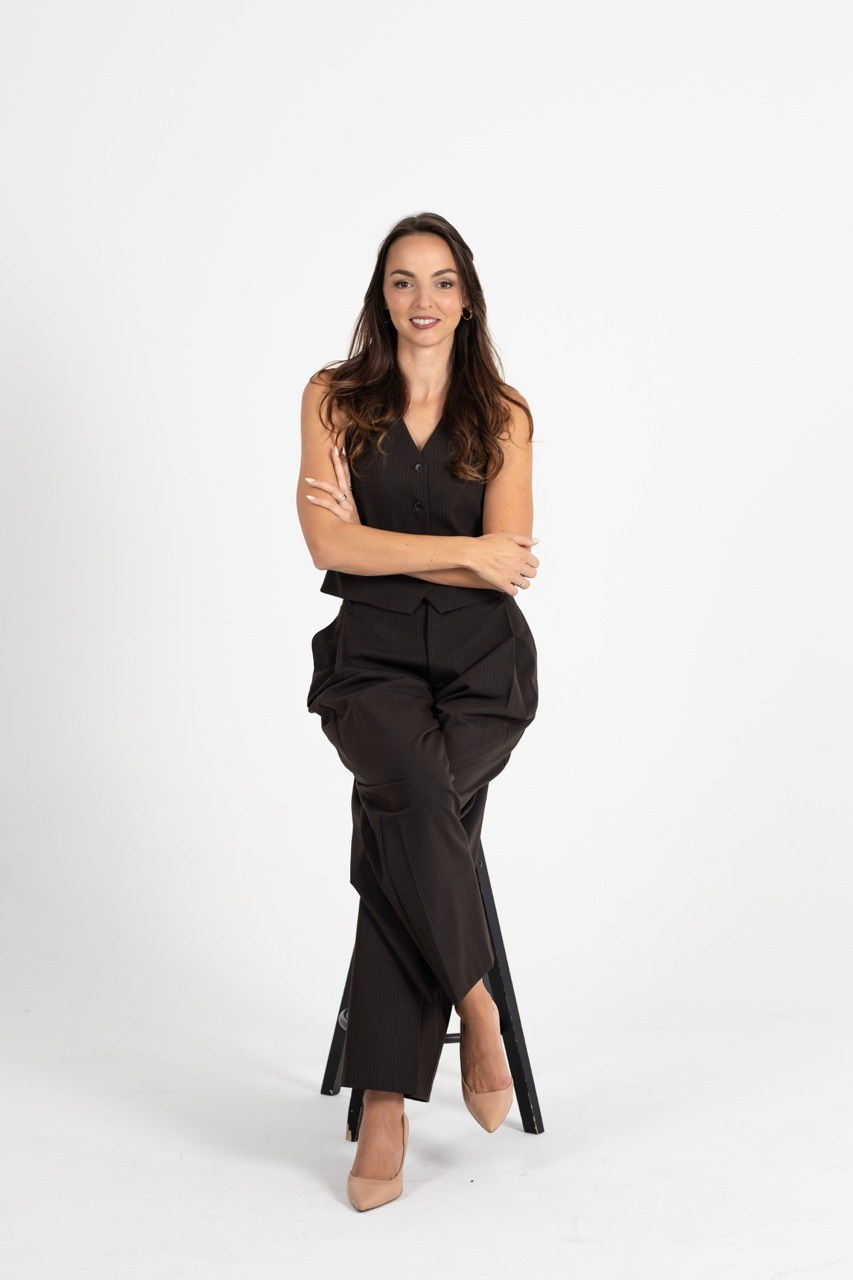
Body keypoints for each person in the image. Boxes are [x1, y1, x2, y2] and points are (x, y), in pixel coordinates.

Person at [297, 212, 540, 1211]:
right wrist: (462, 552)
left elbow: (507, 565)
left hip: (484, 671)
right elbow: (326, 547)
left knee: (404, 812)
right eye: (403, 281)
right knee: (414, 796)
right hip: (372, 664)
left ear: (466, 297)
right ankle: (475, 1006)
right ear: (381, 295)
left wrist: (389, 546)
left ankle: (386, 1099)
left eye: (441, 281)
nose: (423, 299)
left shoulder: (504, 413)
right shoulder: (333, 397)